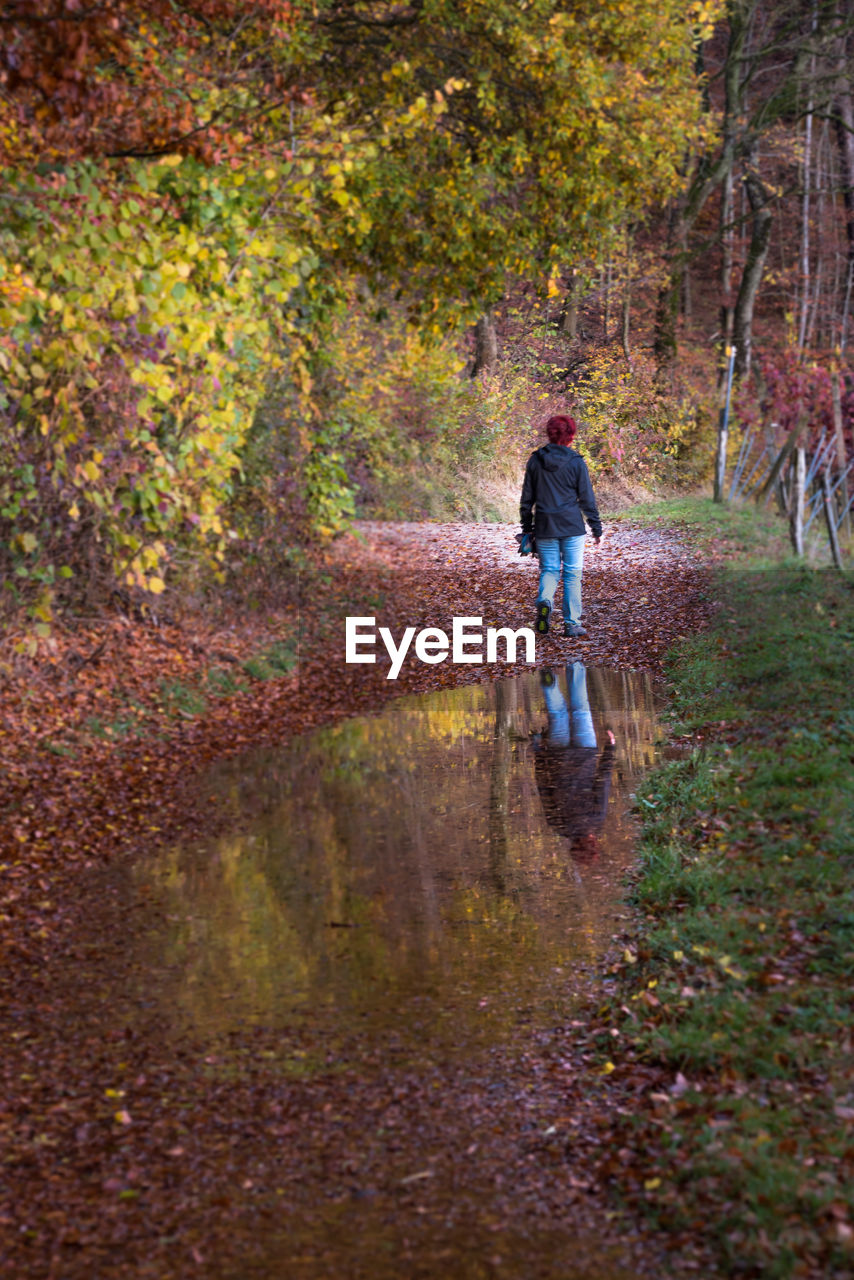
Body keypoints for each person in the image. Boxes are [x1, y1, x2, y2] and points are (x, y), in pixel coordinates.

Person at [519, 414, 602, 639]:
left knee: (550, 570)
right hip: (572, 526)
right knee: (573, 574)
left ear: (549, 433)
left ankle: (545, 600)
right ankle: (572, 624)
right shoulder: (576, 462)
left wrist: (527, 527)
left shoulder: (535, 460)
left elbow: (527, 498)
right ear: (571, 436)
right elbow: (587, 499)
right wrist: (596, 528)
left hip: (545, 525)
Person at [533, 663, 616, 864]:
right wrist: (538, 753)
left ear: (593, 843)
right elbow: (544, 788)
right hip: (557, 757)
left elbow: (602, 781)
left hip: (585, 753)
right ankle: (550, 686)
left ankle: (575, 663)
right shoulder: (557, 825)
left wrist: (610, 749)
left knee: (581, 710)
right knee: (557, 714)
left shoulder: (595, 821)